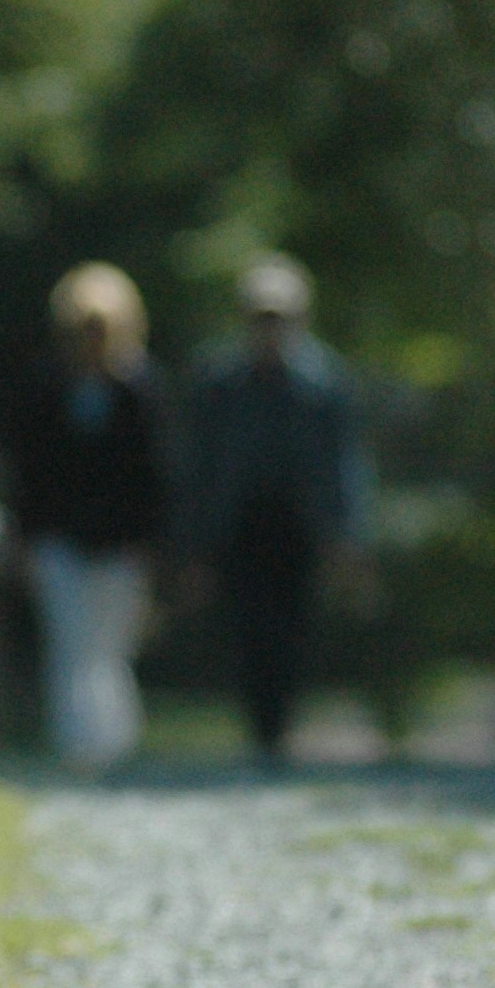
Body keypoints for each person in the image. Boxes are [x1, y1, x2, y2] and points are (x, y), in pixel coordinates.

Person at [177, 253, 376, 758]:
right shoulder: (218, 382)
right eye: (262, 318)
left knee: (293, 627)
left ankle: (280, 726)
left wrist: (348, 535)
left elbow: (342, 463)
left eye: (279, 318)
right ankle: (262, 728)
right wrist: (195, 544)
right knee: (249, 628)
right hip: (241, 526)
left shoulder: (324, 382)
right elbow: (200, 467)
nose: (270, 328)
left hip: (300, 527)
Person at [6, 261, 168, 769]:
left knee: (111, 647)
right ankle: (77, 747)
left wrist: (152, 542)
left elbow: (155, 475)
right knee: (70, 644)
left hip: (121, 544)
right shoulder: (46, 389)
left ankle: (114, 745)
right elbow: (28, 471)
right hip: (59, 540)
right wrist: (26, 539)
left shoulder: (139, 392)